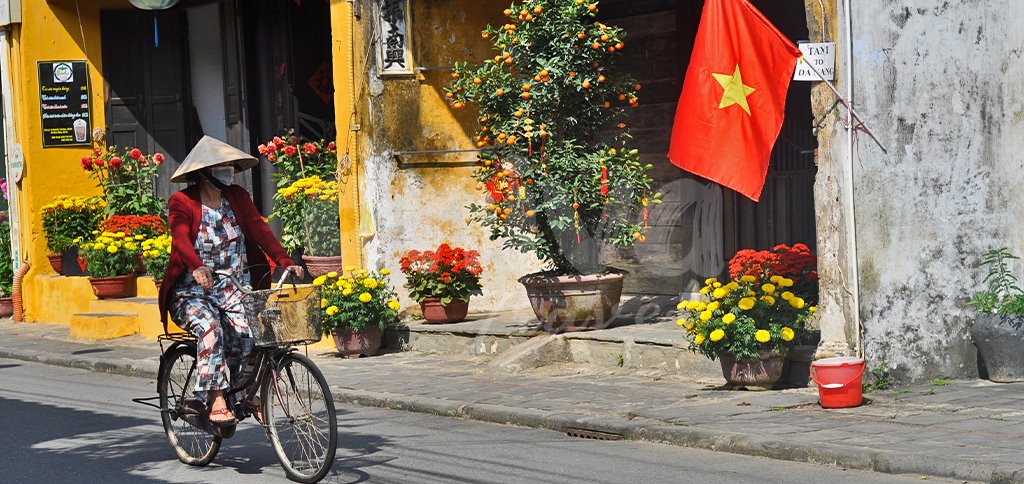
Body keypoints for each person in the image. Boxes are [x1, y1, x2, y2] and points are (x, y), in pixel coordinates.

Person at [158, 136, 304, 425]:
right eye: (220, 166)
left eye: (228, 166)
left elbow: (259, 231)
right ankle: (216, 398)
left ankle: (245, 393)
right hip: (192, 293)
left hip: (234, 288)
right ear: (203, 172)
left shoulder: (236, 196)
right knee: (211, 329)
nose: (227, 170)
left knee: (254, 333)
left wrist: (285, 260)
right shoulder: (182, 201)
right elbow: (181, 239)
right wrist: (197, 267)